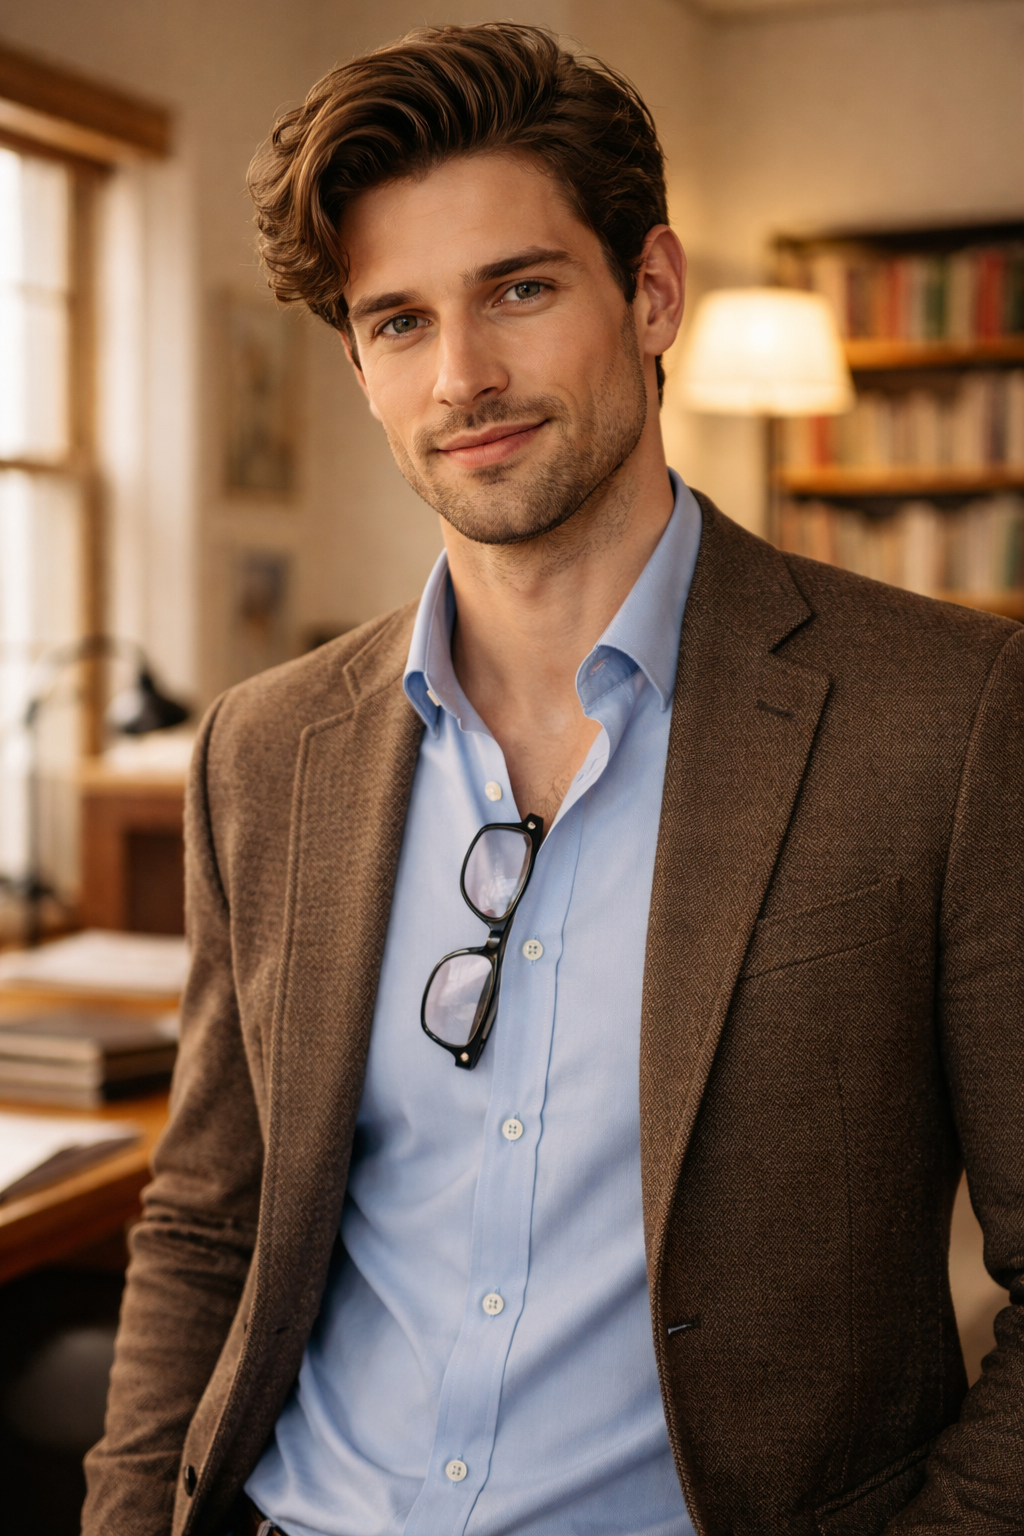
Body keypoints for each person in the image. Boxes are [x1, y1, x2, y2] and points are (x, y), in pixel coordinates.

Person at [83, 23, 1024, 1536]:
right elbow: (206, 1223)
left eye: (518, 289)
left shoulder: (944, 716)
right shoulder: (263, 753)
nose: (464, 376)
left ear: (651, 293)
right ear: (359, 363)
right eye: (399, 322)